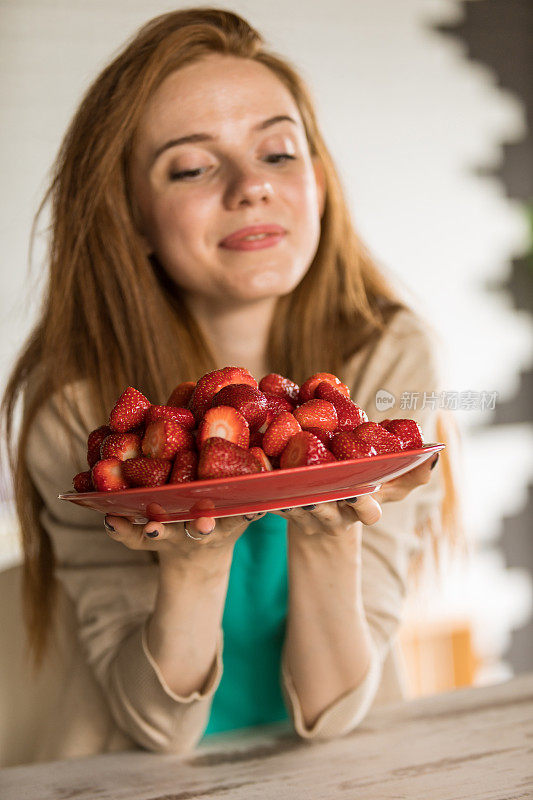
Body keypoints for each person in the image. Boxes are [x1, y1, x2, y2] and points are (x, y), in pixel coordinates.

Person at [0, 7, 462, 766]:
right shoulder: (78, 410)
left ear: (318, 181)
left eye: (278, 152)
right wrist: (192, 561)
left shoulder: (386, 356)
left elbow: (334, 712)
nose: (251, 186)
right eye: (191, 166)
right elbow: (156, 729)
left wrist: (328, 532)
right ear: (133, 218)